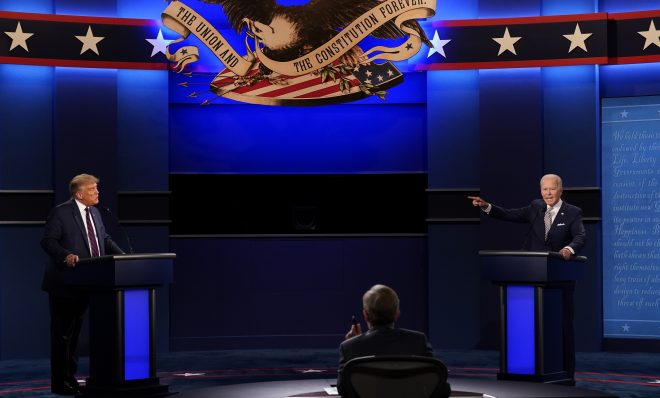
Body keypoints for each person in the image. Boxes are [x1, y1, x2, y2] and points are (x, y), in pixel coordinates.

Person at [41, 174, 124, 395]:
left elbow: (104, 239)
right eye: (93, 189)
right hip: (66, 283)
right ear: (79, 193)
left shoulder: (95, 212)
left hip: (92, 282)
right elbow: (48, 241)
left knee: (77, 335)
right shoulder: (61, 212)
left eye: (97, 189)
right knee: (64, 336)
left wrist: (124, 258)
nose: (97, 193)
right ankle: (61, 382)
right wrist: (65, 255)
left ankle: (73, 378)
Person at [337, 284, 449, 396]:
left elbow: (344, 390)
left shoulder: (348, 347)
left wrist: (353, 344)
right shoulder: (419, 341)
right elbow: (441, 388)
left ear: (365, 315)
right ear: (397, 314)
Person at [468, 173, 586, 259]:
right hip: (533, 266)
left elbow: (580, 236)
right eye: (545, 189)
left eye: (552, 189)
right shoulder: (536, 206)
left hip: (560, 268)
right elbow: (509, 214)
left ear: (560, 190)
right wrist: (486, 206)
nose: (548, 193)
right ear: (541, 191)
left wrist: (568, 249)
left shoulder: (573, 212)